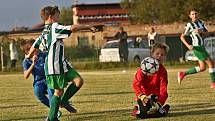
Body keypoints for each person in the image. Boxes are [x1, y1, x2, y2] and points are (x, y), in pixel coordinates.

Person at [26, 6, 95, 121]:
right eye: (57, 15)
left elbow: (35, 45)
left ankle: (62, 102)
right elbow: (72, 28)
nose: (59, 17)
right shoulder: (54, 27)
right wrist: (88, 26)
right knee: (58, 91)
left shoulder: (44, 32)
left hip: (62, 64)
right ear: (50, 16)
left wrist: (28, 55)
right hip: (54, 65)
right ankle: (51, 118)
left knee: (78, 81)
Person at [177, 9, 215, 88]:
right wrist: (188, 45)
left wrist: (201, 32)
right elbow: (182, 37)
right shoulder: (189, 25)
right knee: (211, 64)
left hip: (201, 46)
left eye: (196, 14)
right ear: (190, 16)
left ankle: (183, 73)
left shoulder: (201, 22)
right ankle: (213, 84)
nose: (194, 15)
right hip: (197, 47)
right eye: (192, 14)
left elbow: (207, 33)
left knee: (202, 67)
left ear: (198, 14)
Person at [132, 43, 170, 119]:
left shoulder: (163, 71)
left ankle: (164, 109)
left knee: (156, 114)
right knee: (143, 115)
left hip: (155, 98)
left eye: (162, 55)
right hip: (144, 96)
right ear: (152, 54)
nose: (159, 56)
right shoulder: (143, 68)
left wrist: (159, 104)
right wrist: (141, 96)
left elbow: (164, 91)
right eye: (157, 53)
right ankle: (136, 110)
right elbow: (136, 84)